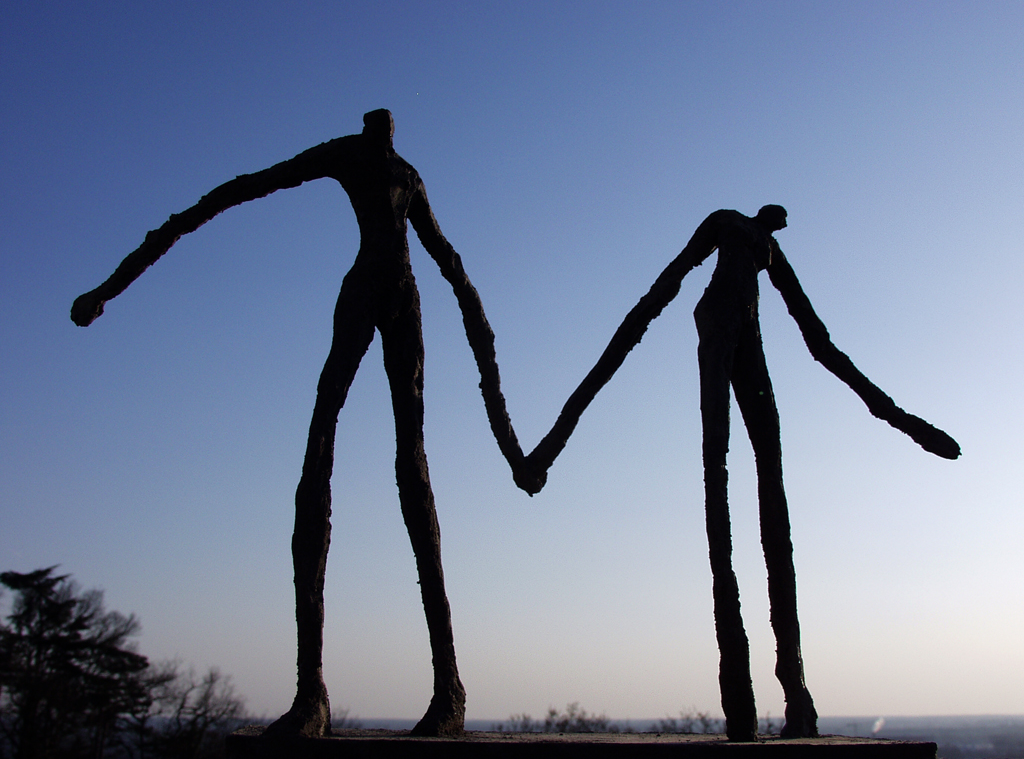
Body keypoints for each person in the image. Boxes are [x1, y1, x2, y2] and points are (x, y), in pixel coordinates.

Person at [72, 109, 539, 738]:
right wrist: (112, 285)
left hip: (403, 299)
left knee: (413, 472)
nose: (385, 123)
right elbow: (235, 193)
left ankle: (447, 689)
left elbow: (455, 272)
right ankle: (311, 692)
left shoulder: (407, 174)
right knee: (319, 452)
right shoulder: (349, 154)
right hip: (368, 290)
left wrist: (509, 439)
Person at [524, 205, 959, 741]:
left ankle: (795, 693)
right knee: (718, 470)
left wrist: (900, 418)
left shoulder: (770, 252)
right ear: (766, 214)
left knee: (771, 485)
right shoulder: (727, 222)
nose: (782, 217)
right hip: (719, 326)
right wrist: (555, 441)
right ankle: (740, 697)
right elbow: (661, 293)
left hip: (748, 338)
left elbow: (818, 342)